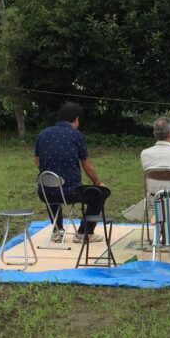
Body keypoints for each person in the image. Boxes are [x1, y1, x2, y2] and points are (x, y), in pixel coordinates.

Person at [34, 102, 109, 243]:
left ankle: (57, 230)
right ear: (76, 119)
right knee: (100, 194)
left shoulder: (42, 134)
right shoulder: (77, 135)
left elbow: (37, 160)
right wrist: (97, 183)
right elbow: (87, 165)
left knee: (51, 187)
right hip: (70, 192)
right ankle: (84, 233)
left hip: (44, 192)